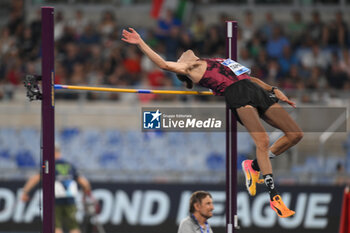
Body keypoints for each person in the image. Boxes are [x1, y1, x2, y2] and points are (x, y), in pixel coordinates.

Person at [122, 28, 304, 218]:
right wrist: (141, 42)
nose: (184, 53)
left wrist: (273, 89)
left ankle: (255, 166)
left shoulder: (216, 60)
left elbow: (250, 78)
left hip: (253, 89)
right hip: (237, 94)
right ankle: (274, 197)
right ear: (182, 65)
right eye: (180, 58)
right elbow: (162, 64)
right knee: (263, 141)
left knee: (295, 134)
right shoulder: (189, 68)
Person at [21, 144, 92, 233]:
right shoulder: (69, 165)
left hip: (54, 200)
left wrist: (25, 192)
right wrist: (86, 195)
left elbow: (36, 178)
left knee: (56, 227)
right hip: (70, 200)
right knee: (73, 226)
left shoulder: (47, 164)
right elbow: (84, 183)